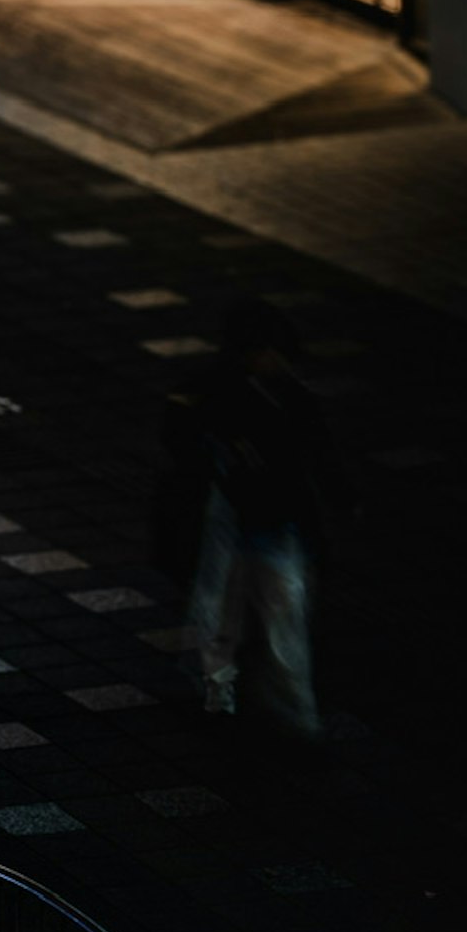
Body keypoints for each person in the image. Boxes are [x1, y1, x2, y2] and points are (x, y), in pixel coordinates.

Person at [177, 298, 333, 741]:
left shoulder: (282, 396)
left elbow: (314, 456)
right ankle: (242, 697)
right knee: (241, 614)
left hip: (258, 518)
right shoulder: (226, 392)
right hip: (249, 518)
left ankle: (270, 704)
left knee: (251, 612)